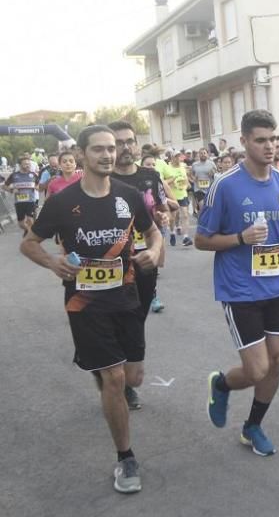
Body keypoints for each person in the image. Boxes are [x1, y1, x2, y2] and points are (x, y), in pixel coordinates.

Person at [20, 125, 163, 493]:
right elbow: (30, 243)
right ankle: (125, 458)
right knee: (115, 379)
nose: (107, 155)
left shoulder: (129, 196)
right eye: (98, 149)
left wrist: (154, 251)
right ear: (82, 155)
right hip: (84, 303)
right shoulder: (62, 202)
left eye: (111, 148)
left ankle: (103, 372)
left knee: (132, 379)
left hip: (127, 298)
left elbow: (154, 233)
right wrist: (53, 263)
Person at [196, 109, 279, 456]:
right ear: (244, 142)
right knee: (258, 368)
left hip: (277, 284)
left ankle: (253, 426)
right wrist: (240, 238)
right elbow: (202, 239)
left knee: (278, 358)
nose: (270, 146)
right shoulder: (224, 186)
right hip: (239, 288)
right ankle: (221, 384)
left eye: (274, 139)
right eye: (261, 140)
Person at [109, 120, 172, 326]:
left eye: (130, 141)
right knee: (113, 319)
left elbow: (163, 210)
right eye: (119, 143)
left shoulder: (151, 177)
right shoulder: (103, 179)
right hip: (112, 260)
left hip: (144, 257)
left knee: (138, 318)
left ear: (136, 144)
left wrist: (164, 217)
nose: (125, 147)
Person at [161, 150, 193, 246]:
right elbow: (163, 182)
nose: (178, 158)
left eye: (179, 156)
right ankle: (172, 233)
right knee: (173, 218)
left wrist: (187, 184)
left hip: (183, 194)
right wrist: (172, 181)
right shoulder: (167, 167)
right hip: (172, 195)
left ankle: (186, 237)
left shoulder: (183, 166)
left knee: (185, 215)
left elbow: (185, 178)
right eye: (176, 156)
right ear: (172, 158)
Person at [4, 156, 39, 234]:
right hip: (19, 202)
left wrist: (36, 187)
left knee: (30, 220)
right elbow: (4, 186)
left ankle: (31, 236)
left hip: (30, 201)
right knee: (21, 224)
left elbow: (38, 185)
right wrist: (11, 190)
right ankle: (29, 231)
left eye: (29, 164)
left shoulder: (33, 175)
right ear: (20, 165)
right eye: (25, 164)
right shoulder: (14, 175)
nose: (28, 165)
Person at [190, 147, 216, 216]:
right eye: (201, 153)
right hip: (199, 188)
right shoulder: (195, 164)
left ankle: (204, 219)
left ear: (207, 154)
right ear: (199, 155)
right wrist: (193, 178)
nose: (203, 154)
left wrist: (213, 173)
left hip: (209, 188)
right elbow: (191, 174)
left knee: (209, 206)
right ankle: (203, 221)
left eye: (204, 153)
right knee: (202, 206)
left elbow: (216, 173)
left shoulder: (212, 164)